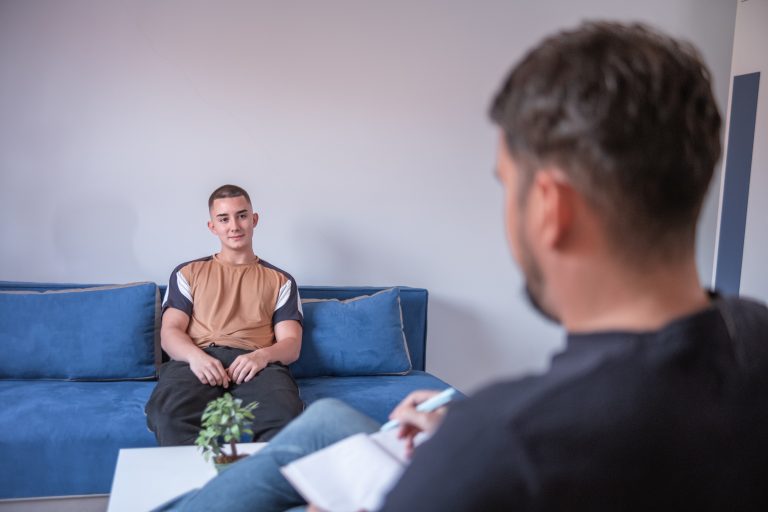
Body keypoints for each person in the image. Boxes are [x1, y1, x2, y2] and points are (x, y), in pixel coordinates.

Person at [161, 21, 768, 511]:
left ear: (552, 209)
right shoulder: (753, 333)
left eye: (506, 185)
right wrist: (460, 427)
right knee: (327, 422)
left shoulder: (501, 442)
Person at [145, 184, 304, 446]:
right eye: (224, 219)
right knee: (167, 415)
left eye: (242, 216)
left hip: (256, 363)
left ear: (254, 220)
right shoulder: (187, 272)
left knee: (284, 416)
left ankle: (258, 474)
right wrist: (195, 357)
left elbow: (291, 344)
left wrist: (261, 356)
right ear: (212, 227)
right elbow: (170, 331)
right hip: (198, 358)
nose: (234, 226)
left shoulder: (281, 280)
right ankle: (199, 475)